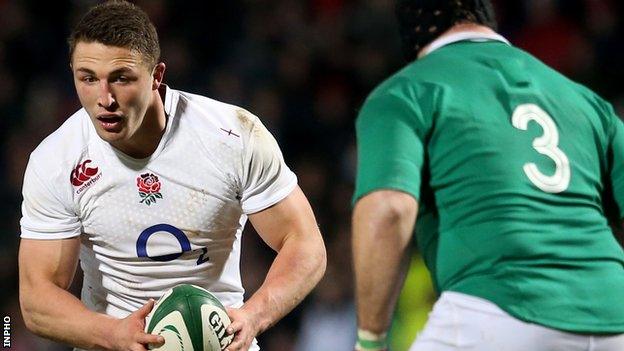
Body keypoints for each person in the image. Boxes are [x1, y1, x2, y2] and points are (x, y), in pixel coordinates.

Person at [18, 1, 326, 351]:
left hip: (221, 342)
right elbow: (36, 299)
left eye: (121, 78)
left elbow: (305, 243)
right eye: (88, 78)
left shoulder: (232, 137)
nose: (105, 98)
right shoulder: (57, 160)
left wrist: (254, 315)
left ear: (156, 76)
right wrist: (110, 333)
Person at [351, 1, 624, 350]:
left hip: (498, 308)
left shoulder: (407, 90)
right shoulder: (585, 100)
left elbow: (389, 209)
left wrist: (370, 340)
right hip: (614, 317)